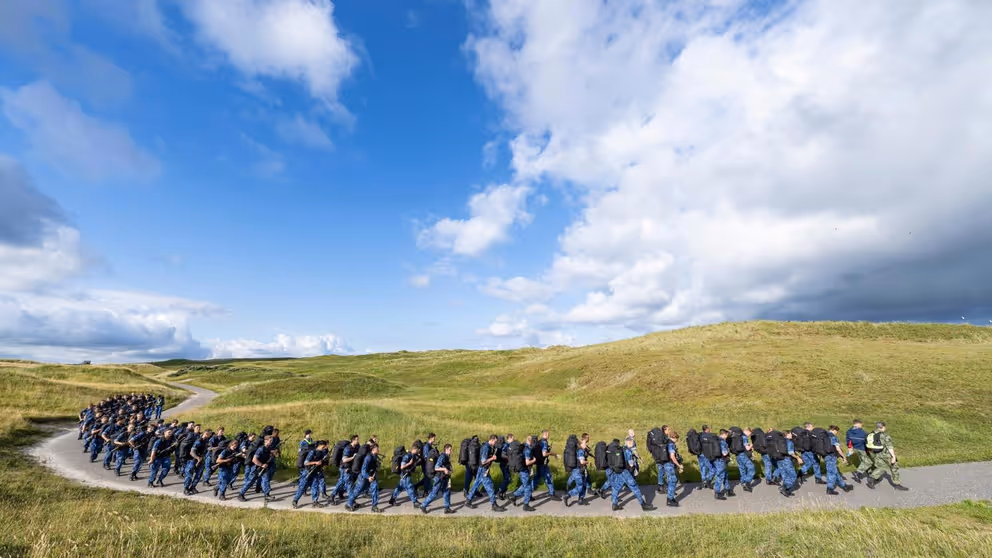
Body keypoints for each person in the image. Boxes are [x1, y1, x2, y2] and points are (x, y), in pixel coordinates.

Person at [612, 437, 656, 511]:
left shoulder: (622, 449)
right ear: (629, 443)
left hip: (621, 471)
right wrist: (635, 463)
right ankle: (643, 505)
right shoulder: (628, 451)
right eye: (632, 443)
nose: (633, 444)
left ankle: (614, 504)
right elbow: (631, 464)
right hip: (626, 472)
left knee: (617, 487)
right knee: (635, 488)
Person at [465, 435, 507, 512]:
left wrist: (489, 465)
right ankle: (494, 505)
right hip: (483, 470)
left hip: (482, 469)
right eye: (495, 441)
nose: (496, 443)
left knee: (476, 485)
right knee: (490, 487)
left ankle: (468, 500)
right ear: (492, 439)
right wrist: (492, 458)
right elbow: (483, 461)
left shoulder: (488, 447)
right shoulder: (486, 447)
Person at [866, 422, 910, 491]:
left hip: (876, 454)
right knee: (894, 468)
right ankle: (897, 484)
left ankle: (871, 478)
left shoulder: (871, 434)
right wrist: (893, 456)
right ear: (882, 427)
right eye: (884, 427)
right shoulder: (885, 435)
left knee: (881, 467)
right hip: (886, 455)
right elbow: (890, 447)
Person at [346, 443, 382, 513]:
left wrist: (377, 468)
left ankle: (374, 506)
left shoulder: (375, 456)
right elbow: (363, 470)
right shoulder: (368, 457)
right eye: (378, 449)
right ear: (374, 449)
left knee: (375, 489)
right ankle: (349, 504)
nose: (379, 450)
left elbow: (373, 466)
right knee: (358, 491)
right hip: (363, 478)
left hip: (371, 477)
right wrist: (368, 477)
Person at [238, 436, 275, 502]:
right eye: (270, 441)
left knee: (265, 480)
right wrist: (262, 465)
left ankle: (267, 495)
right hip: (256, 468)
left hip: (264, 468)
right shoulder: (260, 449)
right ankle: (241, 494)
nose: (271, 442)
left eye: (272, 441)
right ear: (266, 441)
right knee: (250, 482)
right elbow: (254, 460)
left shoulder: (268, 448)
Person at [293, 440, 329, 508]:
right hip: (308, 472)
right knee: (302, 487)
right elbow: (306, 463)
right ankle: (295, 500)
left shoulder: (321, 453)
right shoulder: (312, 452)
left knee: (315, 487)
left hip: (315, 472)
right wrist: (315, 463)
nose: (324, 448)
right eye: (324, 447)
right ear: (321, 446)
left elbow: (321, 462)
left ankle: (315, 501)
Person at [421, 444, 455, 514]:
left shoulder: (447, 457)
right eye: (450, 449)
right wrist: (444, 469)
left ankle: (447, 508)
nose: (451, 451)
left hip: (446, 478)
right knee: (434, 493)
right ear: (446, 449)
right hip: (439, 478)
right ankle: (423, 505)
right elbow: (436, 467)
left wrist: (450, 471)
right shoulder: (442, 456)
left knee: (447, 492)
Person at [389, 443, 422, 508]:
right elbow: (402, 467)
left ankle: (392, 500)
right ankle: (415, 502)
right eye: (418, 449)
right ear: (415, 449)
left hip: (406, 474)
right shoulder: (407, 456)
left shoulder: (412, 455)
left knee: (400, 487)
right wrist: (409, 463)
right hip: (405, 474)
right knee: (410, 488)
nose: (418, 451)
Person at [509, 435, 537, 512]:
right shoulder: (527, 449)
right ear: (530, 441)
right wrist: (534, 460)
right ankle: (526, 505)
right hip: (524, 470)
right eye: (533, 442)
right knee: (528, 487)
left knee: (525, 485)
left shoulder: (523, 446)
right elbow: (527, 462)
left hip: (522, 470)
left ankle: (514, 496)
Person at [331, 435, 360, 505]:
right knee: (350, 485)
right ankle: (351, 501)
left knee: (341, 482)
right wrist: (353, 457)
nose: (358, 441)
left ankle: (332, 495)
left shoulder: (356, 447)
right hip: (344, 468)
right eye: (357, 440)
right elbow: (344, 459)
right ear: (353, 440)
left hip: (350, 468)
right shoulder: (347, 448)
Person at [532, 430, 560, 500]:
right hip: (542, 464)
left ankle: (552, 493)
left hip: (541, 463)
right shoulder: (544, 442)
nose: (549, 435)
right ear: (546, 434)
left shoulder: (540, 441)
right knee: (537, 479)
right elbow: (544, 454)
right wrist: (552, 454)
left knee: (548, 477)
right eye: (548, 434)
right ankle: (524, 493)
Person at [825, 426, 854, 495]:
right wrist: (844, 457)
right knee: (831, 472)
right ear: (834, 430)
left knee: (834, 471)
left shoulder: (824, 435)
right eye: (837, 431)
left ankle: (844, 486)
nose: (837, 433)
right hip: (831, 456)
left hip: (825, 455)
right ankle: (830, 489)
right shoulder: (833, 437)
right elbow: (838, 449)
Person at [564, 439, 591, 507]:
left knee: (584, 484)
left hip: (580, 470)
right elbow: (582, 462)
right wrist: (587, 462)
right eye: (584, 444)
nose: (586, 445)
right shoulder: (581, 451)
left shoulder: (579, 450)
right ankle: (568, 495)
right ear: (580, 444)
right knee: (579, 487)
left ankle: (581, 498)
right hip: (578, 471)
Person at [184, 430, 210, 495]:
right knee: (189, 475)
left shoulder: (206, 441)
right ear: (204, 434)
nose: (207, 435)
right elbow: (192, 452)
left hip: (201, 460)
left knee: (198, 475)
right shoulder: (198, 441)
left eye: (208, 434)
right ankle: (186, 489)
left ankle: (193, 487)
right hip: (192, 460)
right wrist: (197, 458)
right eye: (207, 434)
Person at [846, 419, 872, 483]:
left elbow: (848, 441)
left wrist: (850, 448)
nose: (862, 425)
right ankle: (858, 473)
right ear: (858, 424)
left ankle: (869, 472)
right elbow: (867, 441)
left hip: (855, 448)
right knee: (868, 462)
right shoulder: (862, 432)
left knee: (863, 461)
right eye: (861, 424)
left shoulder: (849, 431)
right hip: (862, 448)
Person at [778, 431, 802, 497]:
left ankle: (787, 490)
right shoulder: (789, 442)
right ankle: (784, 488)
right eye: (790, 434)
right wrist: (798, 458)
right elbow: (790, 452)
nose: (791, 435)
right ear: (787, 434)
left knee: (785, 475)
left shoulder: (780, 441)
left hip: (779, 460)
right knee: (793, 475)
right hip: (786, 460)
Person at [662, 431, 683, 507]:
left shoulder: (667, 442)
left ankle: (671, 498)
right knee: (673, 481)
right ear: (674, 437)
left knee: (671, 480)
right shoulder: (671, 444)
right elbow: (672, 456)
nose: (677, 440)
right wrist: (678, 465)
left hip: (666, 464)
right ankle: (670, 500)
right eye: (677, 438)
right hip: (669, 465)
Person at [413, 433, 436, 498]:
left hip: (428, 464)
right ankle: (425, 492)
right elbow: (426, 456)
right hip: (426, 464)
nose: (434, 439)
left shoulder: (429, 445)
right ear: (431, 438)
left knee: (427, 478)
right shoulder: (426, 446)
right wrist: (430, 463)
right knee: (427, 478)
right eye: (434, 438)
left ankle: (416, 486)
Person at [713, 429, 734, 500]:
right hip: (721, 461)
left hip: (718, 460)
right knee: (720, 476)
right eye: (727, 435)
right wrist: (728, 451)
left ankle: (728, 490)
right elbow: (724, 453)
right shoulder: (722, 442)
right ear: (724, 434)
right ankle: (717, 493)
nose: (727, 436)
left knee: (725, 475)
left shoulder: (717, 440)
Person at [736, 427, 756, 492]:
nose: (750, 435)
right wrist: (751, 445)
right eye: (750, 433)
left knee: (742, 468)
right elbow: (747, 448)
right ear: (747, 431)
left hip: (737, 455)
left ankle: (743, 482)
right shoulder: (744, 437)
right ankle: (747, 483)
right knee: (752, 467)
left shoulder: (739, 436)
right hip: (742, 455)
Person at [497, 433, 513, 499]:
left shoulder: (507, 445)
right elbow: (503, 455)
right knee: (508, 478)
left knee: (507, 479)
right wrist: (509, 458)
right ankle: (500, 491)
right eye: (513, 438)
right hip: (504, 464)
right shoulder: (506, 445)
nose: (513, 439)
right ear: (510, 438)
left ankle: (502, 493)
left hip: (505, 464)